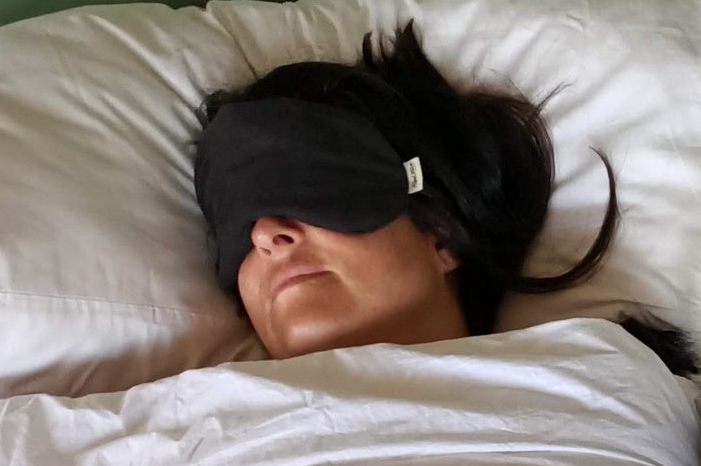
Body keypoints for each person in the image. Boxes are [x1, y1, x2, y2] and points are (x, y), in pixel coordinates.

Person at [193, 22, 616, 359]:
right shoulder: (179, 420)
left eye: (307, 189)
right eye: (235, 221)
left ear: (441, 231)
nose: (264, 234)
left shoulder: (600, 388)